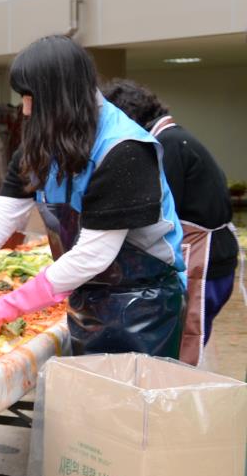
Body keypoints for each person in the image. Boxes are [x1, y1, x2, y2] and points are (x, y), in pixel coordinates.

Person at [0, 36, 185, 357]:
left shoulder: (124, 149)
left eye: (30, 96)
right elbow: (2, 215)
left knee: (131, 403)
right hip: (86, 293)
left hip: (144, 307)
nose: (25, 108)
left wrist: (9, 305)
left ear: (61, 96)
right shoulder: (45, 140)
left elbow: (94, 254)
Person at [102, 78, 239, 364]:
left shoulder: (168, 143)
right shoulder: (172, 138)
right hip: (209, 254)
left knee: (185, 346)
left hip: (205, 257)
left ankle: (179, 404)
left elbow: (153, 211)